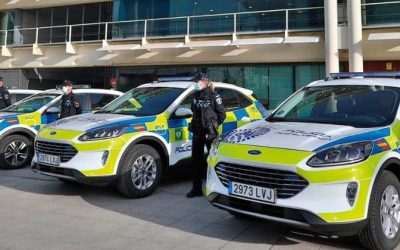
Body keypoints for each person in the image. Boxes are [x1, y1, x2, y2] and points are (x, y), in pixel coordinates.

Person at [187, 72, 226, 198]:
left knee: (212, 162)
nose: (195, 84)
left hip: (210, 135)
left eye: (197, 82)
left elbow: (222, 114)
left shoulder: (214, 95)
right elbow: (195, 113)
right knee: (196, 162)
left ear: (204, 82)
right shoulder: (195, 96)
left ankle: (215, 189)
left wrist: (212, 129)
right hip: (198, 133)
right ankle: (196, 188)